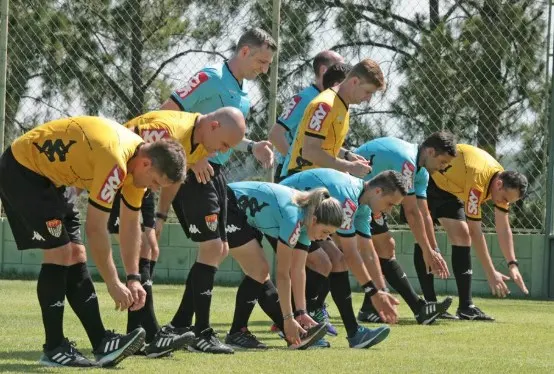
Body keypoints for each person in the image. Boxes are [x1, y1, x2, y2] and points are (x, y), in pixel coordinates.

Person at [0, 116, 187, 367]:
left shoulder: (137, 166)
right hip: (22, 170)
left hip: (52, 179)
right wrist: (112, 283)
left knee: (76, 254)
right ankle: (54, 348)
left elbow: (131, 225)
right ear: (146, 163)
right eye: (155, 182)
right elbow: (96, 229)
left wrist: (133, 278)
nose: (152, 188)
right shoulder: (116, 161)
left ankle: (101, 343)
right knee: (61, 252)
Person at [157, 28, 277, 354]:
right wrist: (191, 156)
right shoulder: (209, 77)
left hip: (216, 173)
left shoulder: (243, 97)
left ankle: (182, 325)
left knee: (219, 249)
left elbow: (224, 136)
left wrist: (251, 146)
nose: (264, 70)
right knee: (212, 247)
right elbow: (166, 112)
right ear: (245, 52)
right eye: (262, 61)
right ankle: (202, 333)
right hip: (193, 168)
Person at [107, 108, 246, 357]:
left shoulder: (202, 145)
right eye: (224, 144)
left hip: (141, 184)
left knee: (150, 247)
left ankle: (138, 332)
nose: (223, 151)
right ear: (213, 126)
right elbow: (129, 156)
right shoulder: (167, 132)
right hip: (119, 177)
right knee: (143, 246)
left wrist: (160, 216)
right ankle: (150, 334)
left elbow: (173, 178)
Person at [282, 169, 429, 348]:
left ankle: (353, 332)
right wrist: (372, 293)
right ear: (377, 191)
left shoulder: (363, 208)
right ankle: (298, 321)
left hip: (304, 219)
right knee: (323, 262)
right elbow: (351, 253)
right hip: (284, 215)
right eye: (390, 203)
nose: (390, 210)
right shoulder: (348, 199)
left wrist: (381, 290)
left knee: (337, 260)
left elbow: (367, 252)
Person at [223, 182, 343, 350]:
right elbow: (283, 274)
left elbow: (298, 270)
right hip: (227, 203)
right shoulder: (293, 218)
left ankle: (241, 332)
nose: (324, 238)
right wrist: (288, 318)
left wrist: (301, 312)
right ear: (315, 220)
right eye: (324, 232)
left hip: (241, 214)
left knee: (260, 272)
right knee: (259, 269)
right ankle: (237, 332)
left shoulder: (307, 221)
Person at [415, 144, 529, 320]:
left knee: (462, 235)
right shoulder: (478, 182)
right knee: (425, 237)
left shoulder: (500, 180)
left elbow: (503, 226)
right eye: (505, 199)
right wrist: (490, 273)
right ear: (499, 184)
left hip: (452, 187)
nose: (504, 203)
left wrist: (512, 264)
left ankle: (466, 307)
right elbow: (476, 232)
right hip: (429, 178)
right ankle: (431, 305)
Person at [353, 133, 456, 323]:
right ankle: (418, 308)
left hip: (370, 199)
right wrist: (426, 251)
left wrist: (434, 250)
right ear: (430, 151)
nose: (443, 168)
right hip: (353, 195)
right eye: (442, 162)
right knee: (381, 247)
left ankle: (373, 309)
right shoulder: (407, 161)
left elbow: (424, 213)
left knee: (385, 247)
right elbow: (411, 212)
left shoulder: (422, 172)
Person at [279, 58, 386, 180]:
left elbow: (323, 143)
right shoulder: (325, 105)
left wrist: (347, 155)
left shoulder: (341, 104)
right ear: (355, 81)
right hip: (303, 181)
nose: (368, 99)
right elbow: (310, 151)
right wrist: (349, 167)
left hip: (317, 179)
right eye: (368, 92)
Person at [268, 51, 345, 181]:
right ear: (323, 70)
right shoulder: (304, 99)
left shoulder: (332, 101)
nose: (344, 75)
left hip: (316, 173)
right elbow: (275, 134)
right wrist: (294, 162)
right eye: (339, 68)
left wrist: (347, 156)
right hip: (293, 175)